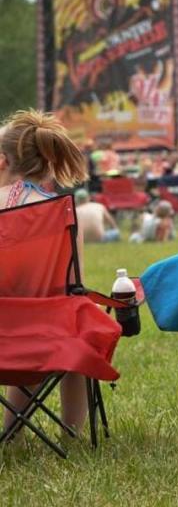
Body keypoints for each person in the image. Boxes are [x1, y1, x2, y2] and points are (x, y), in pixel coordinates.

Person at [0, 110, 90, 434]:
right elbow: (72, 286)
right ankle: (73, 433)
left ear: (1, 162)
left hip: (4, 332)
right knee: (74, 330)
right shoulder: (62, 213)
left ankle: (12, 434)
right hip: (42, 336)